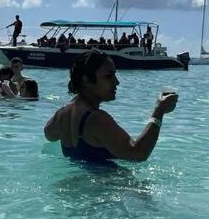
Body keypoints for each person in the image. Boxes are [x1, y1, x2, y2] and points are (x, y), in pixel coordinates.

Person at [43, 50, 178, 163]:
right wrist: (159, 111)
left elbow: (49, 135)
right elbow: (138, 154)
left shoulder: (61, 114)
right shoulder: (96, 119)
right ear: (87, 80)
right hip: (106, 189)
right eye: (108, 76)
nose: (116, 82)